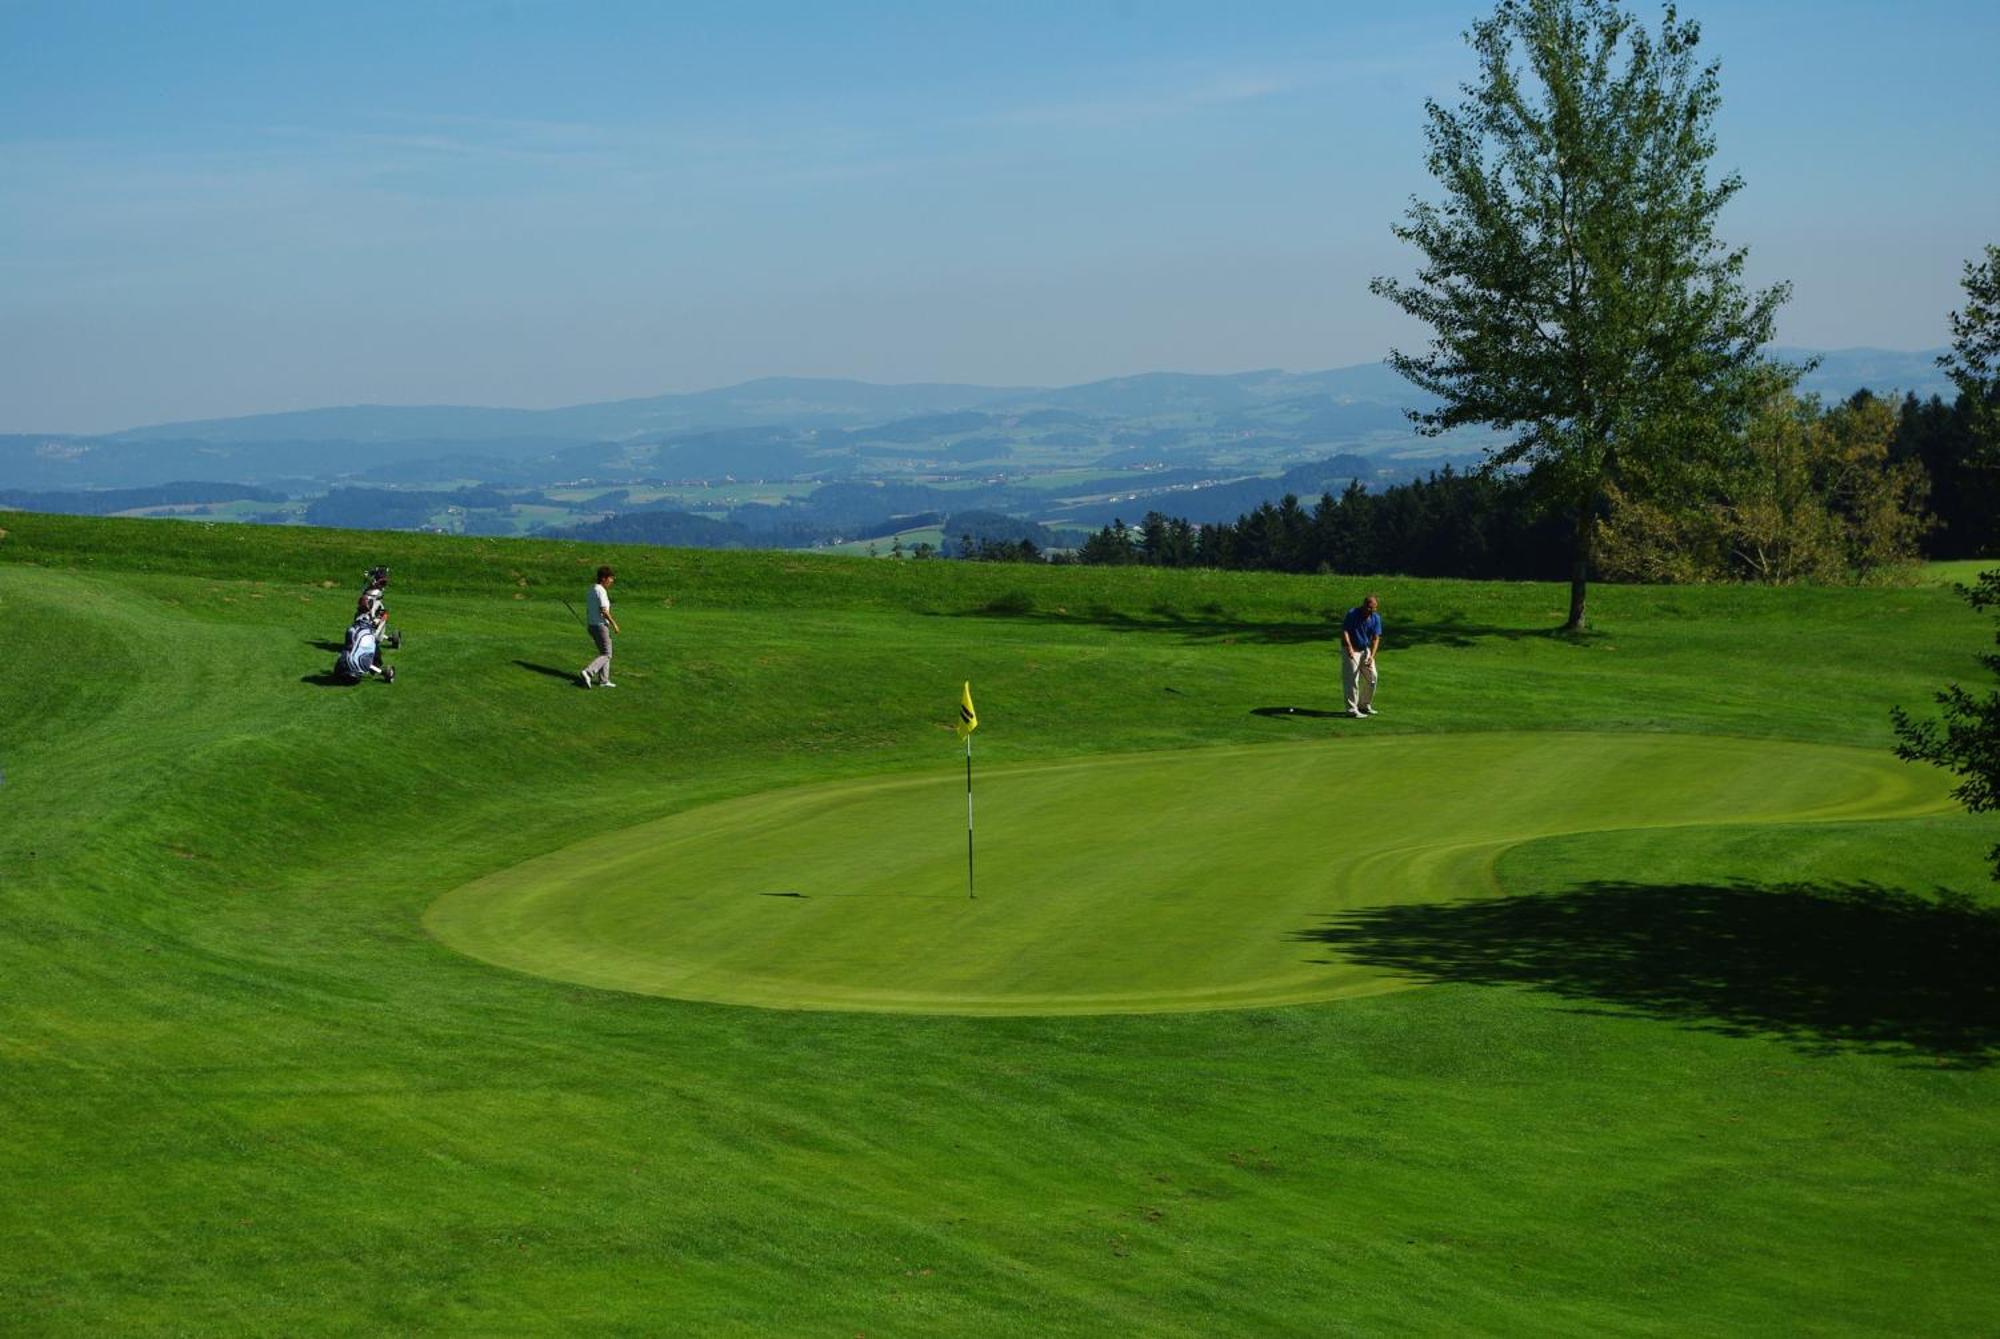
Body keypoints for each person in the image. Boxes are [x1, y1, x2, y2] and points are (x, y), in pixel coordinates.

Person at [1340, 593, 1382, 718]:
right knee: (1352, 679)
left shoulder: (1376, 618)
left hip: (1365, 650)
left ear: (1375, 608)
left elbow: (1376, 638)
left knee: (1372, 677)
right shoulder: (1352, 613)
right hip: (1351, 649)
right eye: (1367, 606)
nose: (1369, 609)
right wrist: (1349, 647)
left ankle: (1364, 705)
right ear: (1364, 605)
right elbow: (1345, 631)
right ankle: (1352, 710)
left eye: (1372, 608)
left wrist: (1371, 656)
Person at [579, 565, 621, 688]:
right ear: (603, 578)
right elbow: (604, 611)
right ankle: (588, 672)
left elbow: (589, 609)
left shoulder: (591, 589)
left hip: (592, 625)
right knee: (607, 654)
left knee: (603, 652)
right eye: (610, 578)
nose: (612, 581)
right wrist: (614, 624)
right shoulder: (601, 590)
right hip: (600, 626)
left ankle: (604, 680)